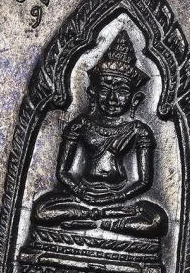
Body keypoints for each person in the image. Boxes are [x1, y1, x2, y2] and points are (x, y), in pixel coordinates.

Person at [30, 30, 168, 238]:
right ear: (93, 93)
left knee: (156, 221)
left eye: (122, 91)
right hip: (82, 196)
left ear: (135, 98)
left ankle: (97, 222)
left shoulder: (139, 130)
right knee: (41, 210)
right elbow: (63, 172)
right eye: (105, 89)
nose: (112, 98)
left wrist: (118, 196)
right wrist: (80, 191)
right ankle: (99, 219)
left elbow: (144, 181)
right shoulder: (81, 124)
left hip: (120, 199)